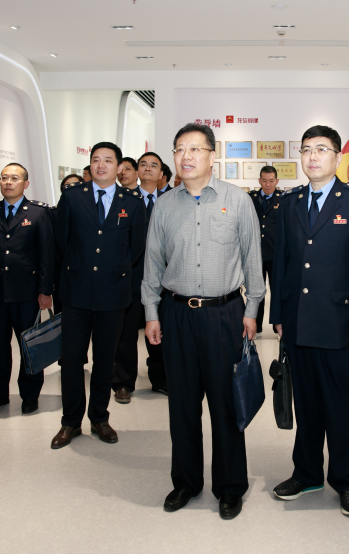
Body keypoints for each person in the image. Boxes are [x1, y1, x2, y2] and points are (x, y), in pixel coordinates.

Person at [142, 123, 263, 520]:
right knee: (181, 405)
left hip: (224, 314)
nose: (187, 156)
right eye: (180, 149)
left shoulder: (237, 200)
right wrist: (151, 312)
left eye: (195, 149)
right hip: (176, 314)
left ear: (213, 155)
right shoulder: (165, 206)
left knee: (226, 405)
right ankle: (186, 482)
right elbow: (152, 265)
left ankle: (230, 487)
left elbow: (253, 261)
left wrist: (251, 311)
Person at [270, 125, 349, 517]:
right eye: (306, 149)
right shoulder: (290, 202)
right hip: (298, 321)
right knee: (306, 404)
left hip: (340, 321)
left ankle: (346, 482)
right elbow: (282, 263)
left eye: (321, 149)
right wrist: (279, 315)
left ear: (337, 157)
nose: (313, 156)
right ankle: (306, 474)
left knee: (339, 406)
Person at [52, 141, 147, 449]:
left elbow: (136, 247)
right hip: (76, 292)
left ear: (119, 167)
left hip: (113, 293)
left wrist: (113, 269)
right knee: (71, 361)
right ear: (90, 164)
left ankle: (99, 418)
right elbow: (61, 241)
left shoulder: (132, 202)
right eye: (96, 160)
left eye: (108, 160)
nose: (101, 165)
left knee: (105, 360)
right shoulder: (72, 197)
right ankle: (70, 422)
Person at [0, 163, 54, 416]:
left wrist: (45, 290)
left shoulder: (39, 213)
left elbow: (46, 254)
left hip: (27, 293)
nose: (8, 182)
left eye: (14, 178)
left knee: (29, 346)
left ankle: (30, 394)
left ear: (25, 184)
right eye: (4, 178)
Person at [112, 151, 168, 403]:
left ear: (161, 173)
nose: (147, 168)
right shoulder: (124, 199)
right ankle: (124, 382)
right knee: (126, 335)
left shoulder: (170, 201)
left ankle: (161, 379)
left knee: (160, 333)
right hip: (131, 279)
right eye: (143, 164)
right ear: (135, 171)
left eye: (153, 165)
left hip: (164, 282)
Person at [249, 166, 282, 339]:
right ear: (259, 181)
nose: (268, 184)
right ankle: (257, 328)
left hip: (276, 254)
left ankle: (278, 328)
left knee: (278, 292)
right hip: (256, 254)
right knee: (257, 292)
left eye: (271, 181)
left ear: (277, 181)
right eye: (264, 180)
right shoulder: (251, 198)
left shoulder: (283, 199)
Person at [51, 174, 84, 317]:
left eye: (75, 185)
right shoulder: (52, 213)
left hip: (84, 273)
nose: (70, 188)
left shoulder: (93, 213)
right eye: (67, 185)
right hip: (62, 274)